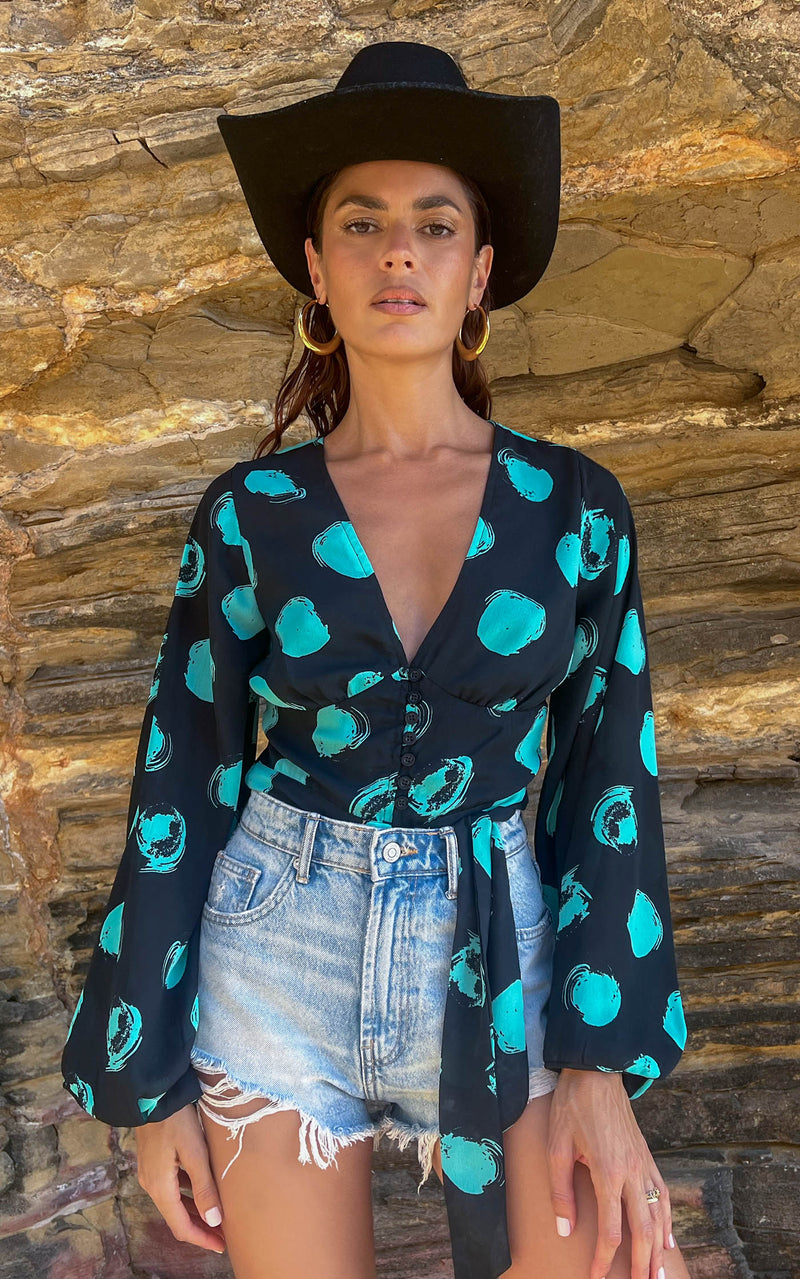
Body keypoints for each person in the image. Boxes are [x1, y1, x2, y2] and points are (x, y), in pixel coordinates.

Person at [60, 39, 691, 1279]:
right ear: (315, 267)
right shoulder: (251, 516)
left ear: (479, 272)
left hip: (503, 941)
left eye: (432, 224)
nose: (396, 251)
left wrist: (596, 1066)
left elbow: (607, 787)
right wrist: (146, 1083)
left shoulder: (574, 509)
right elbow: (181, 780)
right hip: (275, 948)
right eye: (361, 223)